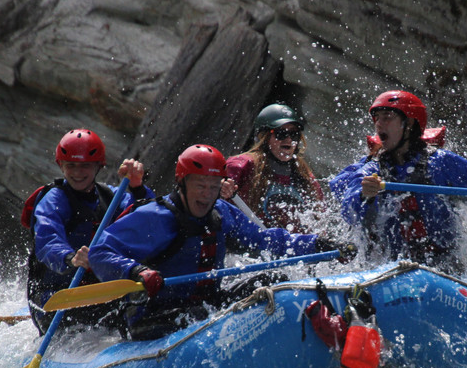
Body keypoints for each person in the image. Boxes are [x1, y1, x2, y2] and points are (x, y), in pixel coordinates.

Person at [89, 144, 354, 341]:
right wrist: (136, 271)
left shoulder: (221, 212)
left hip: (206, 304)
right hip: (154, 314)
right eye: (200, 185)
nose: (207, 194)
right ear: (181, 183)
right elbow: (100, 251)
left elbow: (266, 240)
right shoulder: (155, 217)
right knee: (196, 315)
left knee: (273, 281)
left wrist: (318, 245)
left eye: (213, 186)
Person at [329, 90, 467, 272]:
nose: (379, 124)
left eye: (387, 117)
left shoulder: (442, 162)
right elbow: (349, 211)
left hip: (447, 269)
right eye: (377, 118)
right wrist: (364, 195)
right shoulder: (372, 170)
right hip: (391, 269)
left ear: (409, 123)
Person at [23, 128, 153, 334]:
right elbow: (47, 241)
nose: (77, 172)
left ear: (98, 166)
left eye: (85, 165)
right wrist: (71, 258)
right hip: (55, 297)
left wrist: (138, 187)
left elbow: (149, 219)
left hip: (101, 291)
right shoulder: (53, 200)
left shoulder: (110, 196)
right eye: (71, 165)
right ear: (61, 165)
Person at [219, 103, 326, 231]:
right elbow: (215, 198)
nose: (289, 140)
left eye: (294, 134)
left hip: (293, 241)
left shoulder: (304, 175)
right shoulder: (241, 165)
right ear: (263, 137)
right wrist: (221, 189)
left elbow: (320, 218)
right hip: (251, 238)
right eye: (281, 133)